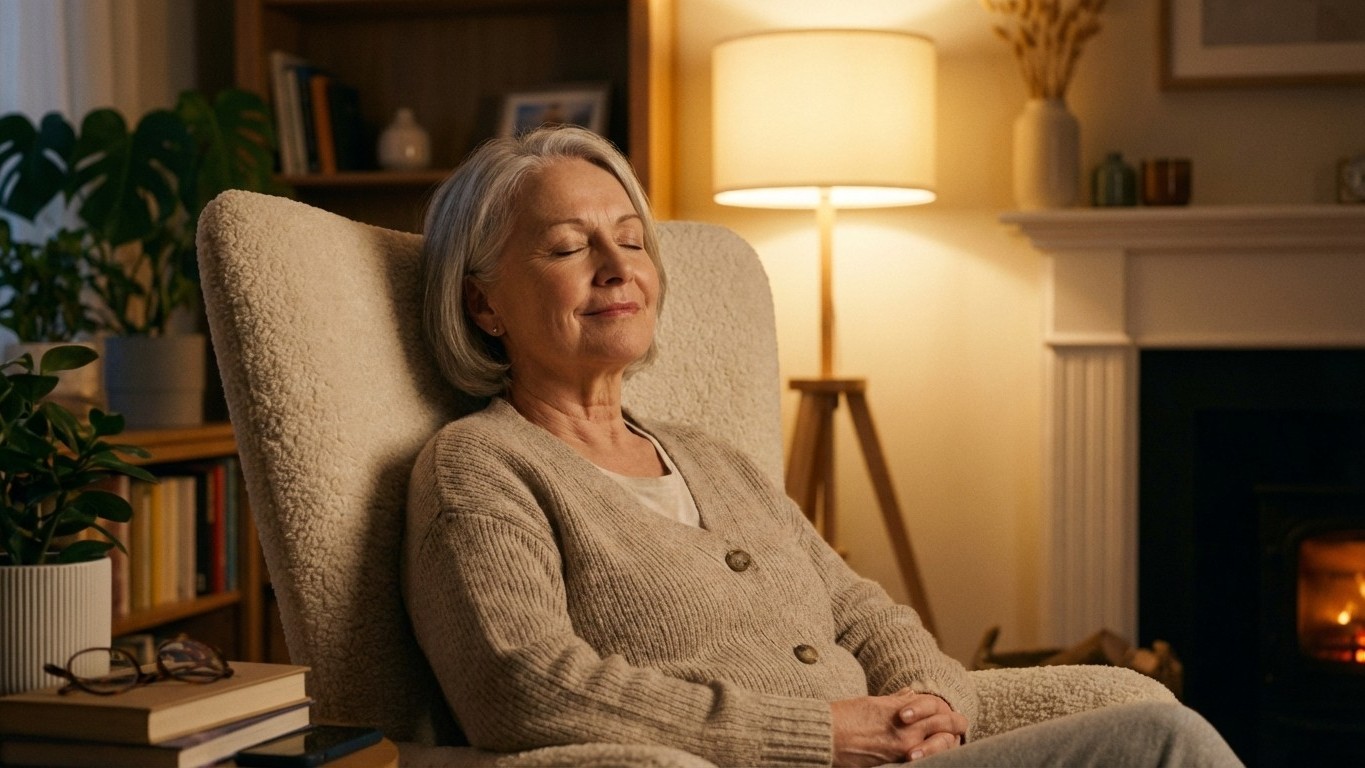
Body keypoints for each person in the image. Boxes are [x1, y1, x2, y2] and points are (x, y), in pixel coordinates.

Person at [403, 125, 1242, 767]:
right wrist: (816, 733)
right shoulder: (481, 468)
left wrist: (934, 705)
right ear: (484, 306)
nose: (616, 267)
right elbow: (520, 686)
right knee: (1162, 747)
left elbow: (862, 611)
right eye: (565, 247)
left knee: (1161, 727)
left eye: (629, 239)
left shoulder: (711, 457)